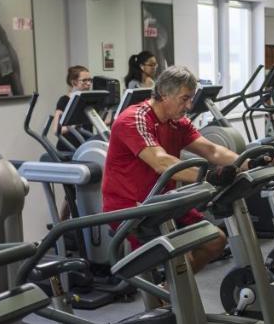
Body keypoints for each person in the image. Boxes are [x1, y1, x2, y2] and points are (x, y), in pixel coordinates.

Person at [102, 66, 244, 272]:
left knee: (215, 241)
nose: (189, 105)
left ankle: (171, 292)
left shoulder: (178, 123)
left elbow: (212, 150)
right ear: (164, 95)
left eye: (191, 98)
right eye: (184, 98)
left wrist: (248, 161)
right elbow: (161, 163)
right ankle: (171, 294)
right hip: (132, 208)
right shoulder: (134, 119)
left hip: (165, 202)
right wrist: (210, 177)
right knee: (180, 256)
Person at [52, 65, 93, 152]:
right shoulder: (64, 100)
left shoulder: (88, 100)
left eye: (90, 80)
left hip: (85, 146)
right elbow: (56, 129)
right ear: (74, 82)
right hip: (69, 148)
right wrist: (74, 126)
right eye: (84, 80)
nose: (89, 83)